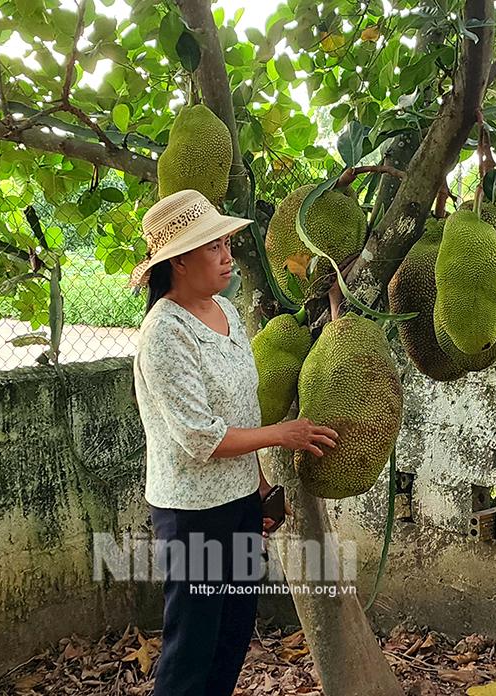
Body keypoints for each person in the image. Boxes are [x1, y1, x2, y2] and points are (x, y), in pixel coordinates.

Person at [129, 189, 338, 696]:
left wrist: (259, 484)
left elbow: (241, 406)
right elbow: (201, 436)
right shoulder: (164, 333)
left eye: (225, 243)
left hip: (239, 501)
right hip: (192, 514)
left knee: (233, 631)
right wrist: (283, 435)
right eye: (213, 247)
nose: (227, 256)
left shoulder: (224, 312)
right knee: (192, 643)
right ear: (178, 261)